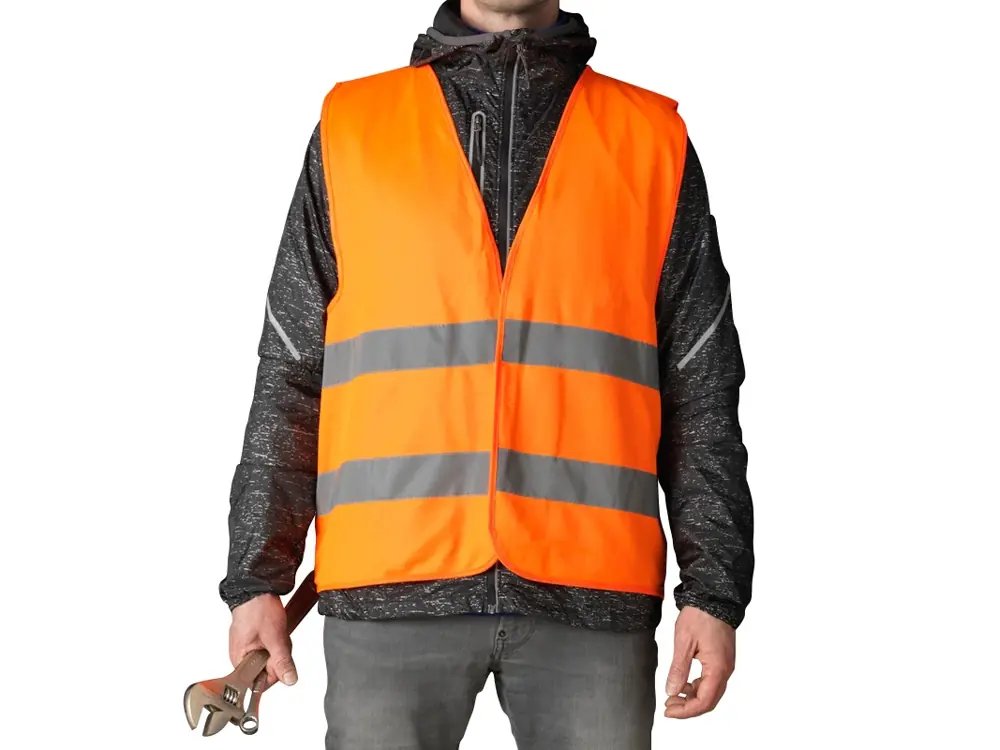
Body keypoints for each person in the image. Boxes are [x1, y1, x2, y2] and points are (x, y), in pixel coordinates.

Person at [219, 1, 754, 747]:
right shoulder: (354, 128)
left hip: (591, 597)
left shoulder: (650, 139)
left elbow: (701, 383)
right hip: (389, 588)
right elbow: (292, 366)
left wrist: (714, 590)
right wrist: (257, 578)